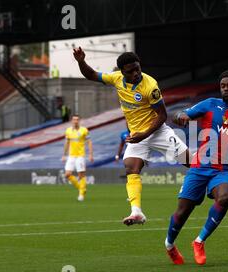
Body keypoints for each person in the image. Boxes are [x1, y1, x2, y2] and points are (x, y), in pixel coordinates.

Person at [73, 47, 190, 225]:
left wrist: (144, 134)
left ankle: (211, 181)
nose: (136, 73)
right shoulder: (116, 79)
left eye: (138, 68)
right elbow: (91, 74)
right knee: (130, 168)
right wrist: (81, 61)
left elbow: (162, 116)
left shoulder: (150, 86)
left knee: (192, 162)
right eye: (131, 71)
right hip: (137, 136)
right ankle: (136, 212)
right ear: (122, 72)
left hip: (157, 131)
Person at [164, 70, 228, 265]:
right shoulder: (210, 104)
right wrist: (181, 116)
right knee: (183, 212)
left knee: (225, 196)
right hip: (200, 166)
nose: (226, 88)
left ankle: (199, 241)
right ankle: (169, 244)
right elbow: (181, 114)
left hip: (224, 169)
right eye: (223, 85)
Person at [61, 114, 94, 201]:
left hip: (80, 156)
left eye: (77, 119)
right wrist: (64, 155)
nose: (75, 121)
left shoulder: (84, 130)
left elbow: (89, 142)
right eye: (74, 119)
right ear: (72, 121)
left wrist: (91, 155)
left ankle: (81, 195)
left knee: (81, 175)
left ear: (79, 121)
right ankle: (81, 188)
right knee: (67, 174)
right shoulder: (68, 131)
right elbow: (67, 143)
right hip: (71, 155)